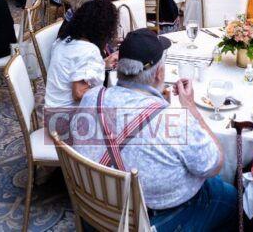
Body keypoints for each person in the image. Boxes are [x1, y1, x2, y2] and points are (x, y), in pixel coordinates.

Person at [73, 29, 236, 230]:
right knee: (231, 196)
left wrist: (155, 105)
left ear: (119, 66)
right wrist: (190, 108)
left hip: (94, 213)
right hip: (150, 223)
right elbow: (215, 164)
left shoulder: (92, 97)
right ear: (159, 73)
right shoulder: (176, 121)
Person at [45, 0, 118, 109]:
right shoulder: (89, 50)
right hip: (70, 115)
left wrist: (103, 64)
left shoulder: (63, 40)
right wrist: (110, 95)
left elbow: (74, 68)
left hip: (53, 109)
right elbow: (79, 94)